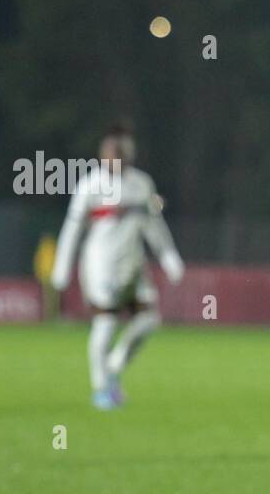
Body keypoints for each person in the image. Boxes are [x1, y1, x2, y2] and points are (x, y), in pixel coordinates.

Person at [52, 127, 184, 409]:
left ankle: (115, 363)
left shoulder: (142, 184)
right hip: (101, 265)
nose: (119, 160)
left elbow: (153, 224)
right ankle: (102, 389)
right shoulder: (90, 186)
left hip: (134, 264)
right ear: (103, 157)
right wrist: (62, 268)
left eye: (123, 155)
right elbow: (72, 229)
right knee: (106, 323)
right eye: (113, 155)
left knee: (149, 321)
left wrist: (169, 255)